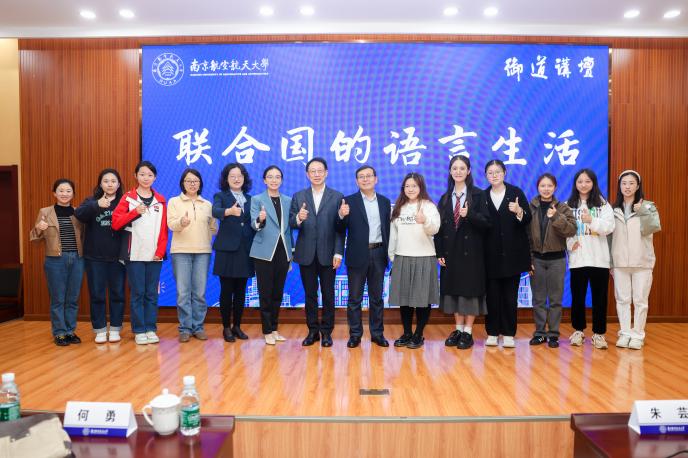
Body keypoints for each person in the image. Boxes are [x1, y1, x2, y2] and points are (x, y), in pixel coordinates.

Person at [435, 156, 490, 350]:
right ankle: (458, 330)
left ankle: (468, 331)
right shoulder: (444, 198)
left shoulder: (479, 195)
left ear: (468, 171)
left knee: (470, 293)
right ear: (450, 172)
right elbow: (439, 229)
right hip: (450, 253)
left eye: (462, 168)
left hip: (472, 253)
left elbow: (487, 224)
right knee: (454, 292)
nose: (458, 172)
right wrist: (439, 252)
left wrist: (470, 215)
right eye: (454, 168)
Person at [289, 157, 345, 348]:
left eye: (320, 171)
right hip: (306, 253)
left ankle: (327, 332)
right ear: (307, 174)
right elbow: (291, 222)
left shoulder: (337, 196)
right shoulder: (299, 196)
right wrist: (298, 217)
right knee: (310, 295)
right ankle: (312, 331)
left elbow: (340, 228)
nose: (316, 174)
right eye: (312, 171)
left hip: (328, 254)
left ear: (326, 173)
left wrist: (338, 253)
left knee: (328, 295)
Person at [112, 161, 168, 345]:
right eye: (142, 174)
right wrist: (134, 212)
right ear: (135, 176)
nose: (146, 178)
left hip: (154, 255)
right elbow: (116, 223)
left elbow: (163, 230)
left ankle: (151, 328)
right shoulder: (128, 198)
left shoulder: (160, 200)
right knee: (138, 293)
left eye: (150, 175)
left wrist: (160, 251)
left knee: (152, 293)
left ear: (155, 178)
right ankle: (139, 330)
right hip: (134, 253)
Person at [337, 165, 391, 348]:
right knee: (355, 299)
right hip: (357, 254)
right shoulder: (348, 201)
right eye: (361, 176)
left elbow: (388, 229)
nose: (365, 179)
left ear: (376, 179)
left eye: (369, 176)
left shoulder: (384, 202)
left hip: (378, 253)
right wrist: (341, 215)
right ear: (356, 181)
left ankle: (377, 334)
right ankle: (355, 335)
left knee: (377, 298)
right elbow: (339, 228)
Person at [483, 159, 532, 349]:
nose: (494, 175)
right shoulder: (482, 196)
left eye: (498, 172)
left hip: (513, 255)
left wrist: (519, 211)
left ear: (504, 173)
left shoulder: (515, 192)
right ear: (486, 175)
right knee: (492, 297)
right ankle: (492, 332)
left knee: (510, 297)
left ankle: (509, 333)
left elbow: (528, 218)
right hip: (490, 256)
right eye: (490, 172)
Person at [388, 172, 441, 350]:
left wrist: (424, 221)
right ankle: (407, 333)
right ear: (403, 188)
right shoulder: (398, 207)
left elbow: (435, 229)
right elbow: (393, 235)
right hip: (402, 257)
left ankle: (418, 334)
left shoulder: (428, 206)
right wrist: (393, 257)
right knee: (404, 300)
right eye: (407, 186)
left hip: (424, 258)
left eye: (414, 186)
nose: (410, 189)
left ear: (421, 187)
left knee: (422, 299)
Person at [30, 178, 84, 346]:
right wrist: (39, 228)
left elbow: (85, 236)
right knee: (58, 299)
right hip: (55, 260)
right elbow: (34, 238)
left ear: (73, 194)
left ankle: (70, 331)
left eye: (68, 191)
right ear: (54, 193)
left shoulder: (78, 212)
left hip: (77, 259)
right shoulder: (45, 212)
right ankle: (59, 332)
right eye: (61, 190)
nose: (64, 194)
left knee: (72, 298)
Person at [75, 168, 126, 344]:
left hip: (118, 258)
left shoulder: (124, 202)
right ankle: (100, 329)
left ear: (118, 184)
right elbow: (79, 214)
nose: (110, 184)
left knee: (117, 294)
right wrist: (97, 205)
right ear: (100, 184)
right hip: (94, 257)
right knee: (97, 294)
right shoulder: (91, 201)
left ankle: (115, 328)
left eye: (113, 181)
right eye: (106, 181)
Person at [611, 170, 660, 350]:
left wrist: (643, 213)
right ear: (619, 186)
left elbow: (653, 227)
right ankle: (625, 333)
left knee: (640, 300)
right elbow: (609, 237)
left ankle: (638, 335)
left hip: (642, 262)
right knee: (622, 300)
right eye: (624, 183)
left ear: (638, 186)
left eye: (631, 183)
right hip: (620, 262)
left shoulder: (648, 206)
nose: (627, 187)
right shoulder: (613, 209)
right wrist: (610, 263)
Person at [566, 168, 615, 350]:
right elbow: (564, 229)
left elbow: (609, 227)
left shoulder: (603, 204)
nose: (584, 185)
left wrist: (591, 221)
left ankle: (599, 334)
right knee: (577, 297)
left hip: (599, 259)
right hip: (578, 259)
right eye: (580, 181)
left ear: (593, 183)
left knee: (599, 298)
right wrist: (570, 243)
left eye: (587, 181)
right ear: (575, 184)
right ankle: (578, 331)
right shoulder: (569, 204)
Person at [526, 173, 576, 349]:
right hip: (536, 260)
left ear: (555, 187)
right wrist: (528, 260)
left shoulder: (563, 208)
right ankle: (540, 333)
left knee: (555, 299)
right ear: (538, 187)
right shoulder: (530, 207)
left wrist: (556, 217)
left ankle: (553, 334)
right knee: (538, 299)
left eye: (549, 186)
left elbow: (571, 230)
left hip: (557, 260)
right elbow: (525, 236)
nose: (546, 189)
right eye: (543, 186)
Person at [168, 168, 217, 343]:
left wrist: (214, 226)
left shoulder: (207, 204)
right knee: (183, 293)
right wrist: (182, 222)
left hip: (203, 251)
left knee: (199, 293)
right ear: (183, 183)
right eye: (188, 181)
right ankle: (185, 328)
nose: (192, 184)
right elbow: (171, 225)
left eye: (195, 181)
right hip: (180, 251)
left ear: (200, 184)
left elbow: (213, 230)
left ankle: (198, 327)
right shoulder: (174, 202)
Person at [250, 165, 293, 345]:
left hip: (283, 251)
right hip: (264, 252)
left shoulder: (288, 200)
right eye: (270, 176)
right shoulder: (257, 199)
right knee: (265, 293)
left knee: (277, 292)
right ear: (264, 180)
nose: (274, 180)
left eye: (277, 177)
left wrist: (291, 254)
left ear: (281, 180)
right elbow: (254, 225)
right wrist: (260, 219)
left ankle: (274, 328)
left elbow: (289, 229)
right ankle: (267, 330)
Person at [212, 163, 255, 343]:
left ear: (244, 178)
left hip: (245, 250)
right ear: (226, 179)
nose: (237, 179)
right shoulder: (221, 196)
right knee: (226, 290)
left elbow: (253, 223)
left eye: (240, 176)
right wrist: (229, 211)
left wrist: (260, 221)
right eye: (232, 176)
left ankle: (237, 326)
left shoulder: (251, 199)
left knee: (241, 291)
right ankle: (226, 327)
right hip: (227, 250)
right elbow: (215, 211)